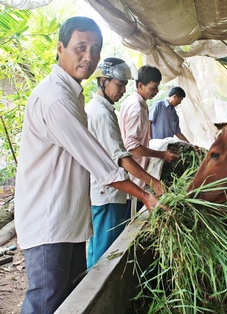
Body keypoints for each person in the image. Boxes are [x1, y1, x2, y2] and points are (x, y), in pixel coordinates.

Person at [14, 16, 161, 314]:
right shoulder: (56, 98)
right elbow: (102, 163)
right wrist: (146, 194)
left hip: (67, 219)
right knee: (46, 302)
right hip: (49, 221)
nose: (89, 56)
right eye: (81, 47)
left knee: (68, 299)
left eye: (96, 49)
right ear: (60, 48)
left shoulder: (72, 94)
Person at [85, 57, 166, 269]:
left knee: (102, 248)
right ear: (103, 81)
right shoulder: (101, 114)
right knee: (104, 255)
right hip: (107, 193)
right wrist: (152, 182)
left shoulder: (104, 109)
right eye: (119, 85)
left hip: (109, 190)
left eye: (124, 86)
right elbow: (122, 155)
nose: (122, 90)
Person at [119, 65, 178, 212]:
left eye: (157, 87)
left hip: (135, 172)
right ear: (140, 85)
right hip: (134, 175)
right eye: (153, 88)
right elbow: (132, 146)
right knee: (131, 216)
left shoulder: (133, 101)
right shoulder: (137, 108)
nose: (156, 92)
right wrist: (161, 155)